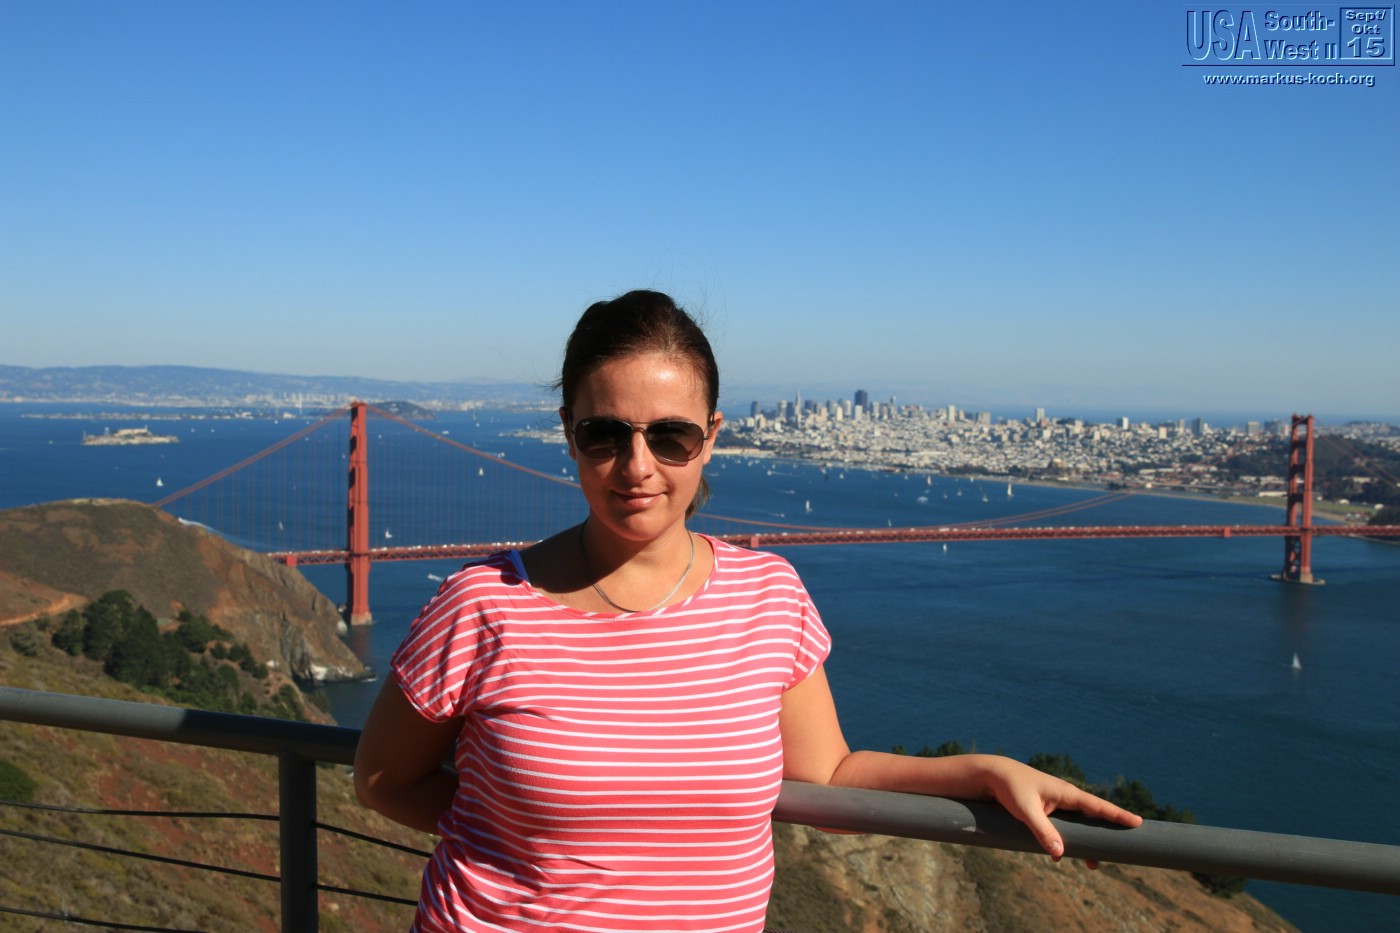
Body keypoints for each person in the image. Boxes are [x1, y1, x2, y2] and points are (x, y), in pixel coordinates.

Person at [354, 289, 1142, 933]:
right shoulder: (484, 604)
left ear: (711, 436)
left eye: (671, 436)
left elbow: (830, 778)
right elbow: (383, 780)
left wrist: (984, 771)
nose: (637, 465)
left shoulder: (770, 595)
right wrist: (516, 838)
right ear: (569, 432)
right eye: (605, 434)